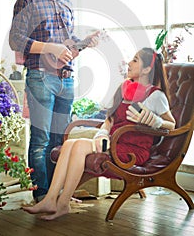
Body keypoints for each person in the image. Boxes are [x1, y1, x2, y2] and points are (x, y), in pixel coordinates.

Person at [23, 47, 176, 220]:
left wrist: (156, 121)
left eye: (135, 60)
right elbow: (109, 120)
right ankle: (51, 199)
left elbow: (172, 124)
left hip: (134, 150)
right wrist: (102, 134)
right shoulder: (124, 88)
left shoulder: (155, 96)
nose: (129, 63)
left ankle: (63, 204)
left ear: (147, 69)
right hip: (115, 143)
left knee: (79, 145)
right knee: (69, 144)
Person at [9, 0, 100, 202]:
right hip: (40, 76)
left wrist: (84, 44)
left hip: (66, 78)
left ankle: (58, 191)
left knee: (60, 139)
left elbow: (67, 44)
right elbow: (16, 40)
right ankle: (42, 194)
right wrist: (50, 48)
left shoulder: (66, 1)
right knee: (40, 139)